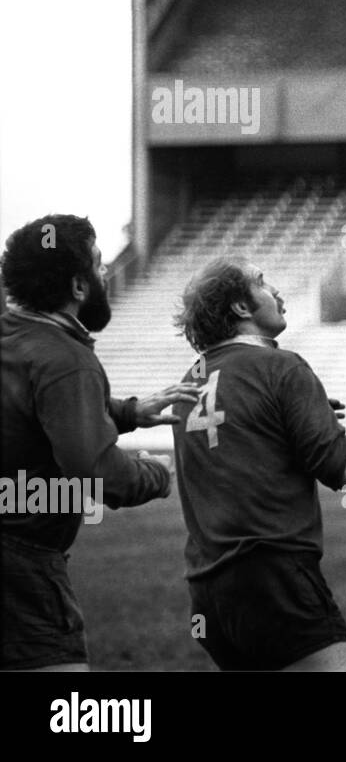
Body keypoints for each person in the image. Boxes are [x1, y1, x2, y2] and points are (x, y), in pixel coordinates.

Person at [170, 257, 346, 670]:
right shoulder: (281, 366)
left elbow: (245, 445)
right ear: (240, 307)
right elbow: (343, 466)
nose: (278, 292)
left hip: (208, 594)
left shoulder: (191, 381)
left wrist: (298, 421)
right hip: (273, 579)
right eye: (263, 283)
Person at [1, 214, 194, 670]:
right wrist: (155, 475)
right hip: (22, 564)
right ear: (79, 287)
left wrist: (127, 412)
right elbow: (97, 474)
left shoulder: (15, 339)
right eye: (98, 264)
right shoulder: (67, 360)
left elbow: (29, 409)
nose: (105, 273)